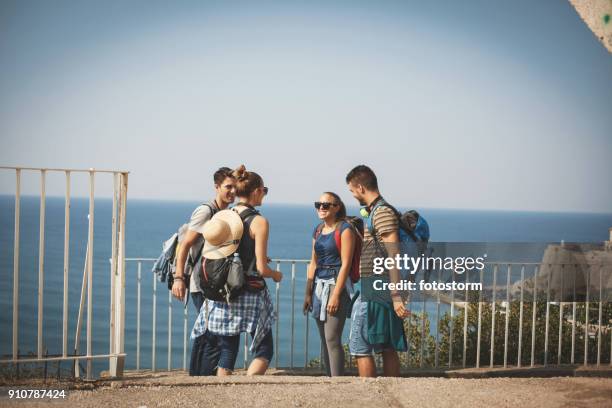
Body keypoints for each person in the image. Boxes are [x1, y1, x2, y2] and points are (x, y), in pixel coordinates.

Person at [191, 164, 282, 376]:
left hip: (225, 291)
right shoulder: (259, 221)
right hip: (250, 291)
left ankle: (226, 393)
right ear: (257, 191)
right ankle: (247, 389)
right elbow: (261, 267)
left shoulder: (224, 216)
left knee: (228, 349)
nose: (264, 196)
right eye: (264, 191)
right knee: (264, 348)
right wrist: (276, 274)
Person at [345, 165, 409, 377]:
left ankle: (370, 397)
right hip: (380, 285)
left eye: (353, 191)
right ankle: (388, 393)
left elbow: (394, 254)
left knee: (359, 345)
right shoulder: (380, 211)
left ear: (361, 187)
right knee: (386, 345)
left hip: (376, 287)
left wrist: (396, 294)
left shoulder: (381, 212)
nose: (353, 196)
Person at [171, 166, 236, 376]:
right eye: (228, 187)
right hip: (201, 283)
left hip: (213, 281)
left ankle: (196, 376)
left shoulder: (225, 211)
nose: (232, 191)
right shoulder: (206, 211)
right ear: (216, 187)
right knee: (213, 334)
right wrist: (179, 278)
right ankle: (204, 378)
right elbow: (185, 245)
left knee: (206, 332)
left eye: (235, 187)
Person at [303, 192, 355, 376]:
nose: (321, 208)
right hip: (319, 285)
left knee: (332, 337)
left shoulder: (345, 230)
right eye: (318, 204)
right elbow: (313, 261)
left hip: (336, 284)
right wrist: (307, 293)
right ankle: (329, 378)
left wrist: (335, 295)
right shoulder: (318, 230)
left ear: (337, 207)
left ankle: (338, 382)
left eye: (326, 205)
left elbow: (346, 265)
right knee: (324, 339)